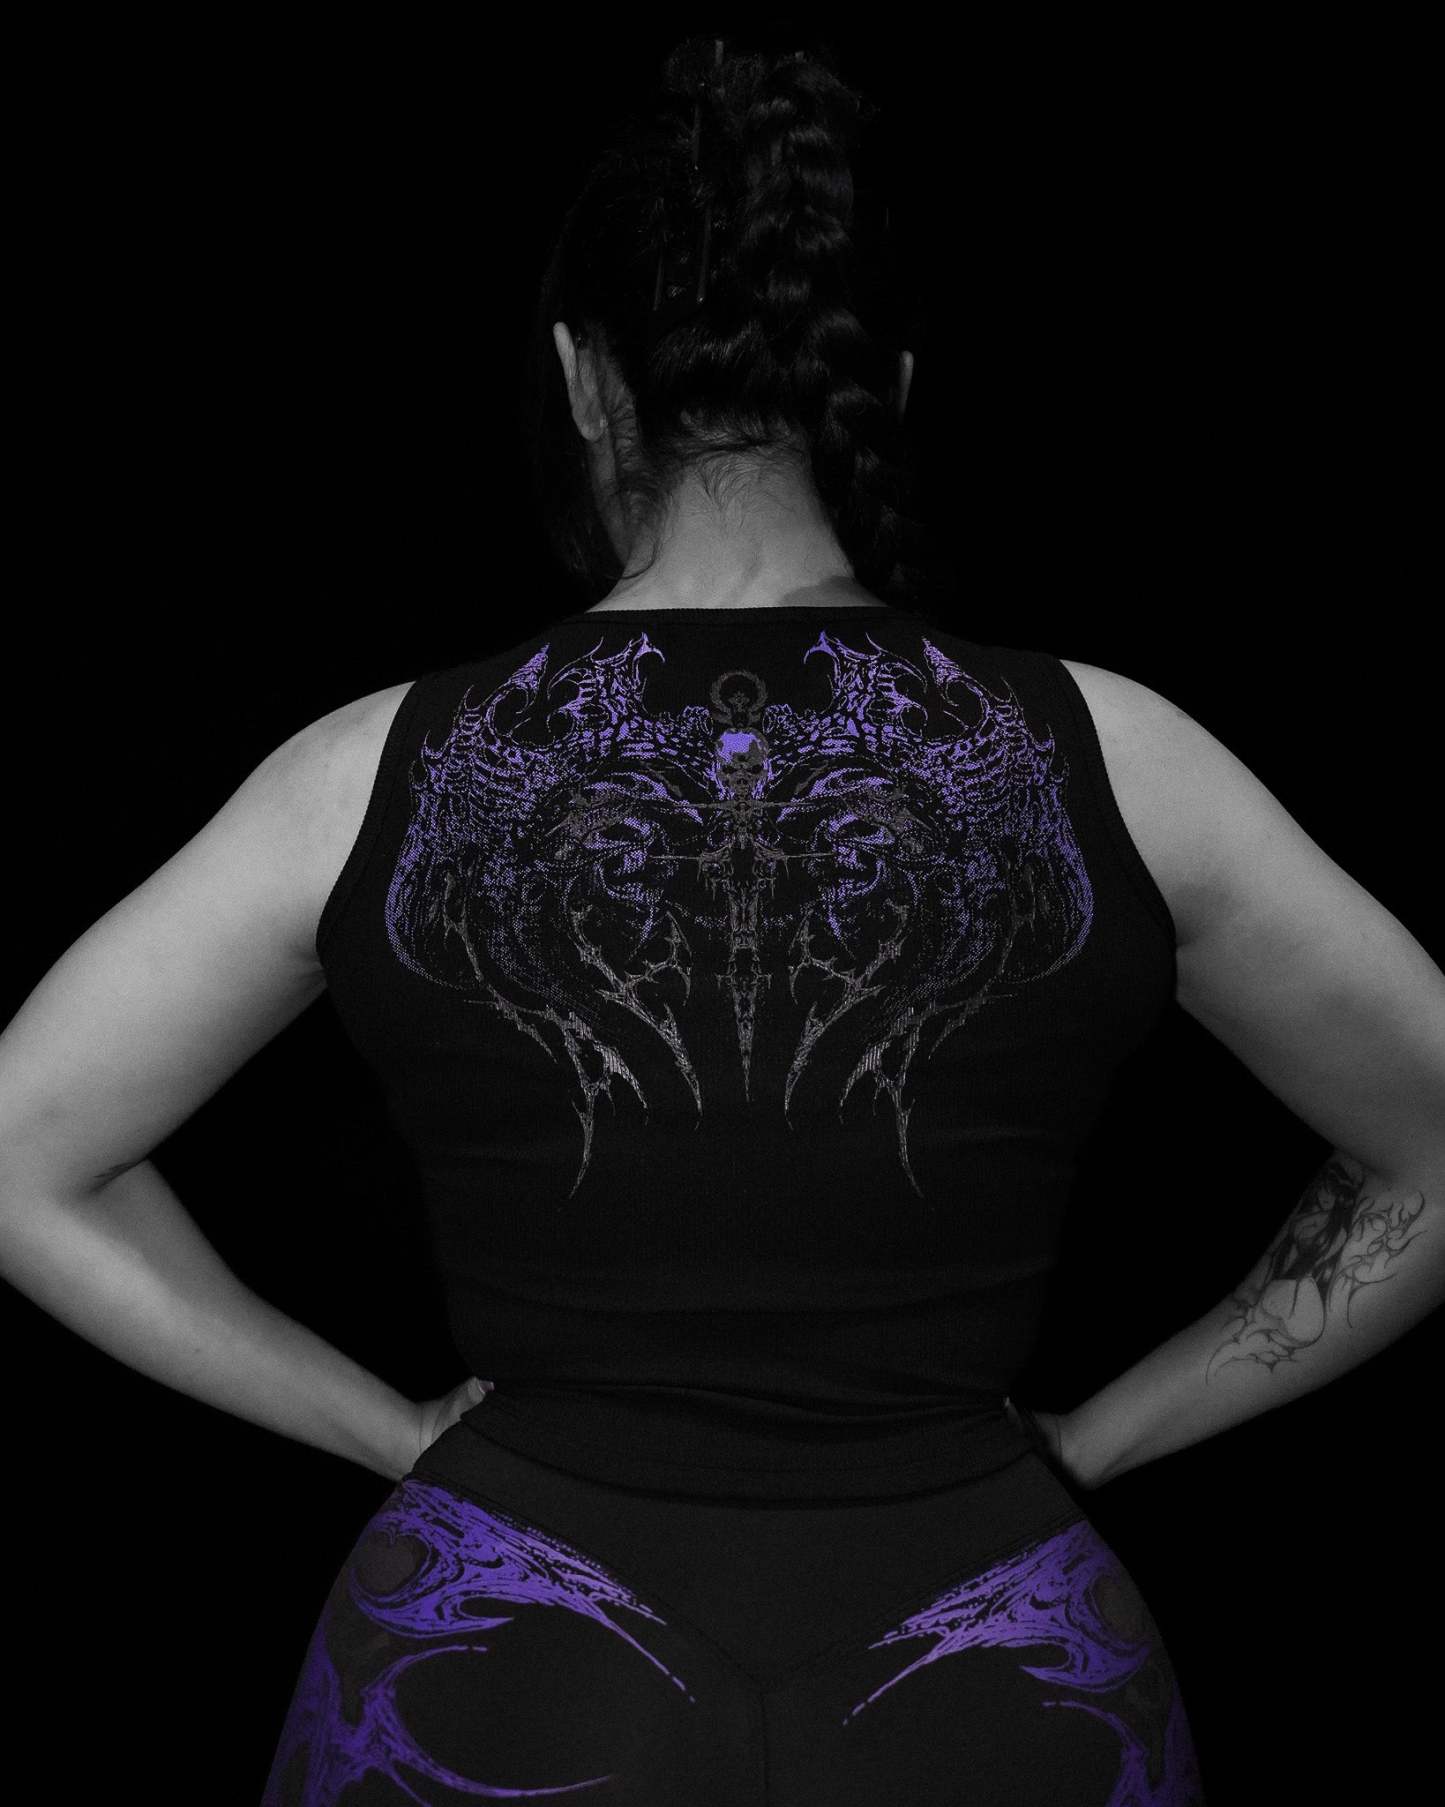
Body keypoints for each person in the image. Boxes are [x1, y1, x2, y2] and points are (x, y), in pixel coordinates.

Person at [1, 35, 1440, 1807]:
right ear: (886, 384)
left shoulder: (373, 770)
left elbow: (19, 1151)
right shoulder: (1117, 758)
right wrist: (1098, 1438)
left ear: (580, 381)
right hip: (1000, 1662)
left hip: (492, 1662)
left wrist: (390, 1432)